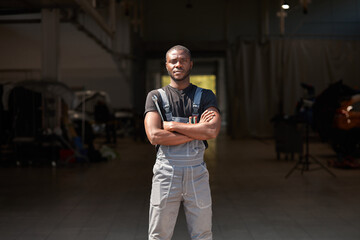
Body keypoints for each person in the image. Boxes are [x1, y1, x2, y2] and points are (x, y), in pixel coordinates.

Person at [144, 45, 221, 240]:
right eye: (173, 61)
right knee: (158, 235)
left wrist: (171, 125)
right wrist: (196, 132)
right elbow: (154, 136)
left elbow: (211, 130)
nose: (178, 64)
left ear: (190, 64)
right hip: (165, 173)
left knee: (203, 234)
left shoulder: (206, 95)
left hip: (197, 174)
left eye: (183, 60)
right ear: (167, 65)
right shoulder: (155, 97)